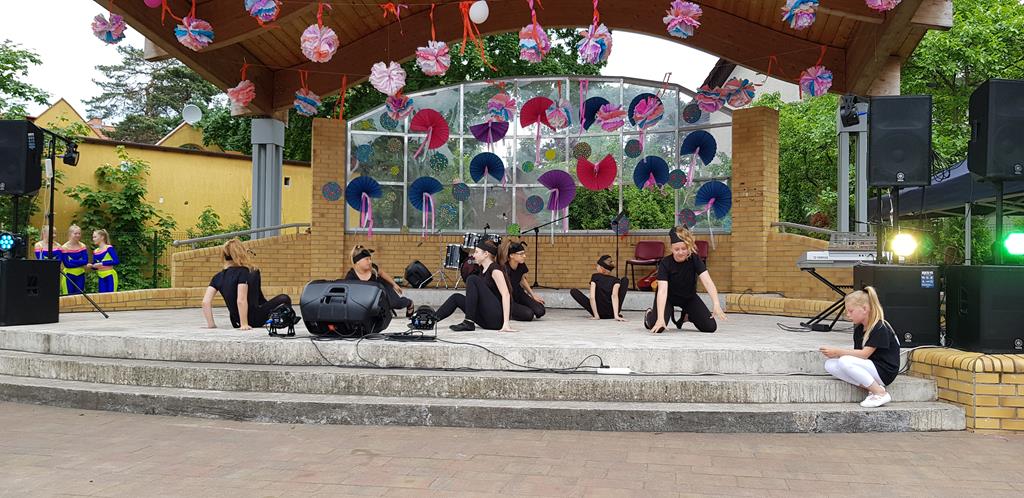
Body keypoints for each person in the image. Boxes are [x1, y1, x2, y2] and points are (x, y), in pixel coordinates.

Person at [819, 287, 900, 408]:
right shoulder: (859, 329)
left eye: (851, 311)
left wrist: (837, 352)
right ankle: (873, 387)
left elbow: (864, 354)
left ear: (865, 309)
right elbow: (858, 356)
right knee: (829, 365)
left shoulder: (880, 327)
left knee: (844, 360)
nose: (848, 315)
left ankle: (880, 393)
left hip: (884, 372)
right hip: (870, 368)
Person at [644, 226, 726, 333]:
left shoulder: (695, 259)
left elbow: (707, 282)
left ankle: (687, 316)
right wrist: (660, 318)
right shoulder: (665, 263)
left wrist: (716, 303)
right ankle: (649, 314)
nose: (680, 252)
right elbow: (662, 291)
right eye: (676, 249)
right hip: (668, 298)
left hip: (688, 297)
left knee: (710, 327)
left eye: (684, 249)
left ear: (689, 247)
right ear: (671, 248)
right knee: (658, 327)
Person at [202, 238, 292, 330]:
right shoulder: (243, 271)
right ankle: (284, 319)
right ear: (240, 253)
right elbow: (241, 299)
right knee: (284, 298)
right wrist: (244, 324)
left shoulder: (217, 277)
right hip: (252, 319)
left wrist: (211, 324)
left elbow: (206, 302)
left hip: (235, 320)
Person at [434, 238, 515, 332]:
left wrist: (506, 323)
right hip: (486, 320)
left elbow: (506, 294)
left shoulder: (495, 269)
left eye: (476, 252)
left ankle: (468, 322)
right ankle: (431, 320)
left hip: (496, 319)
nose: (473, 255)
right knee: (456, 298)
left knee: (472, 279)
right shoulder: (481, 270)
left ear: (485, 254)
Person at [345, 245, 414, 317]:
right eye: (367, 259)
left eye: (370, 259)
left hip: (383, 287)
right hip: (369, 296)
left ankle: (409, 303)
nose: (370, 261)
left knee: (395, 303)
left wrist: (394, 284)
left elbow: (382, 273)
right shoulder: (351, 276)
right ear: (357, 261)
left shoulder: (373, 268)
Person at [497, 239, 545, 321]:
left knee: (540, 310)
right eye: (521, 254)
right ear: (511, 255)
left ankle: (520, 308)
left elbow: (522, 279)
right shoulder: (504, 268)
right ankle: (509, 313)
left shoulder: (521, 264)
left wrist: (533, 295)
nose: (524, 256)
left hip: (519, 293)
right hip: (509, 297)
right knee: (528, 315)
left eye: (524, 253)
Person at [570, 255, 628, 321]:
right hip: (611, 313)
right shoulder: (616, 280)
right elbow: (614, 296)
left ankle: (597, 314)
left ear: (602, 268)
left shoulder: (595, 277)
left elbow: (592, 297)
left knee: (573, 291)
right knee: (625, 280)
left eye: (597, 266)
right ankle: (615, 314)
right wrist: (616, 316)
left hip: (598, 312)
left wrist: (596, 315)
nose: (596, 267)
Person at [60, 225, 90, 296]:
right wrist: (80, 263)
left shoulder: (82, 246)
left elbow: (85, 261)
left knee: (79, 296)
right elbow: (67, 264)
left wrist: (72, 261)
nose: (78, 235)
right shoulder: (64, 247)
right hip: (68, 276)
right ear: (70, 234)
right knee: (68, 297)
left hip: (80, 275)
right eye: (75, 233)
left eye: (79, 233)